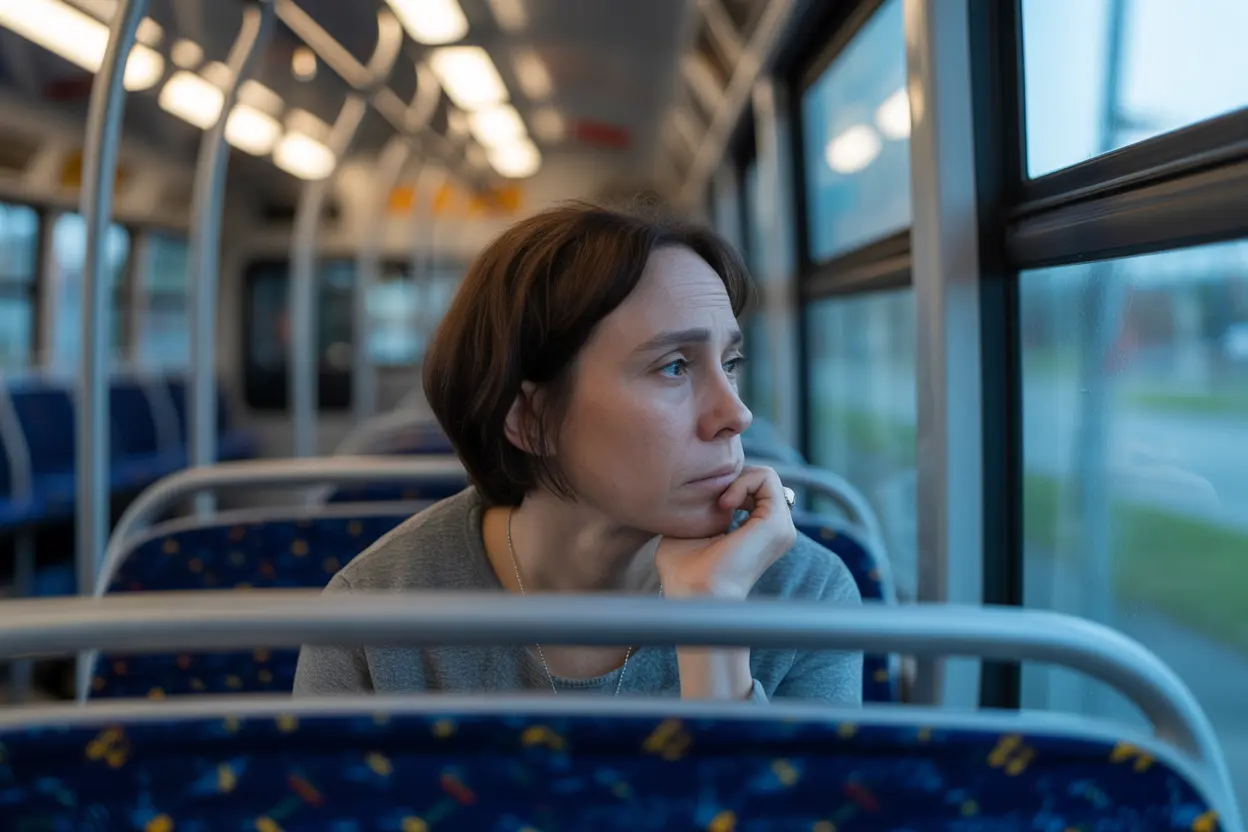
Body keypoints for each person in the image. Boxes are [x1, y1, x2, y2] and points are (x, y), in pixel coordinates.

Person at [293, 201, 863, 703]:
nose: (736, 414)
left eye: (730, 364)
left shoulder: (802, 594)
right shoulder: (373, 619)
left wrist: (711, 624)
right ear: (530, 419)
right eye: (674, 367)